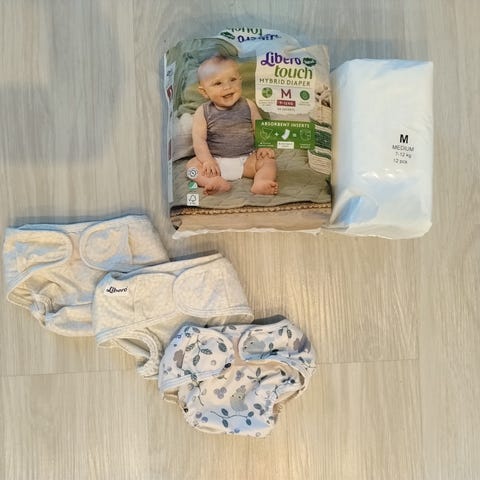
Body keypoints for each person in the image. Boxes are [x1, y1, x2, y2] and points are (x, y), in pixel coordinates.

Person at [186, 55, 278, 195]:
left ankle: (262, 181)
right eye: (218, 83)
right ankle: (213, 181)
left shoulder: (248, 105)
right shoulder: (203, 112)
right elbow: (199, 140)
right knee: (192, 167)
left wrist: (264, 146)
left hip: (247, 160)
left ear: (240, 81)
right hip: (215, 162)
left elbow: (260, 128)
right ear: (204, 91)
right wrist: (207, 161)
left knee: (268, 161)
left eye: (233, 80)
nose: (228, 87)